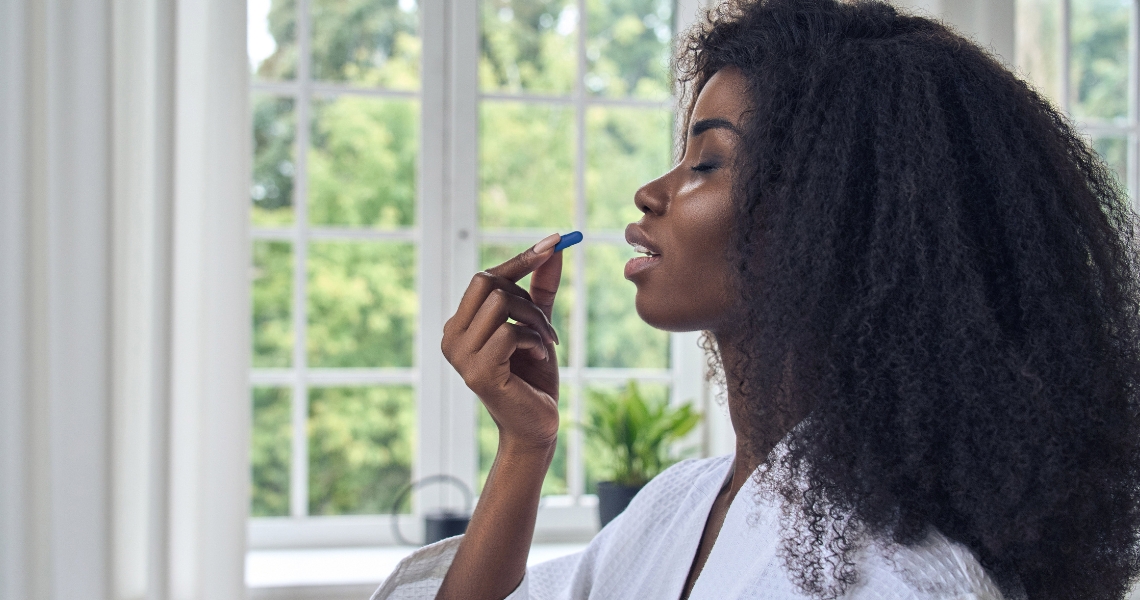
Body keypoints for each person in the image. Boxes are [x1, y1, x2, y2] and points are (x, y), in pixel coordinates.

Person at [371, 0, 1140, 598]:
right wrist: (524, 447)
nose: (650, 192)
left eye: (706, 162)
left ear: (830, 219)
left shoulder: (900, 579)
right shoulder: (679, 506)